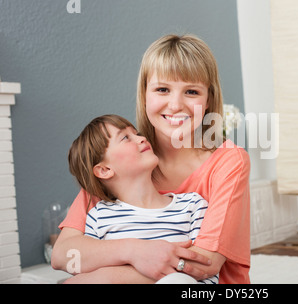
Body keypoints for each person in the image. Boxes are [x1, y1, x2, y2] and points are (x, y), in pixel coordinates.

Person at [51, 34, 251, 284]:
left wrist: (103, 278)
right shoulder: (125, 164)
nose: (176, 104)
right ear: (145, 94)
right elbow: (62, 255)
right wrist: (135, 251)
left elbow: (203, 264)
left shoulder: (229, 162)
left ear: (208, 100)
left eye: (191, 91)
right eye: (162, 89)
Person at [64, 114, 218, 284]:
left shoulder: (192, 206)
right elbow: (85, 271)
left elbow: (205, 275)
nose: (141, 138)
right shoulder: (99, 217)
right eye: (125, 137)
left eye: (136, 133)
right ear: (104, 170)